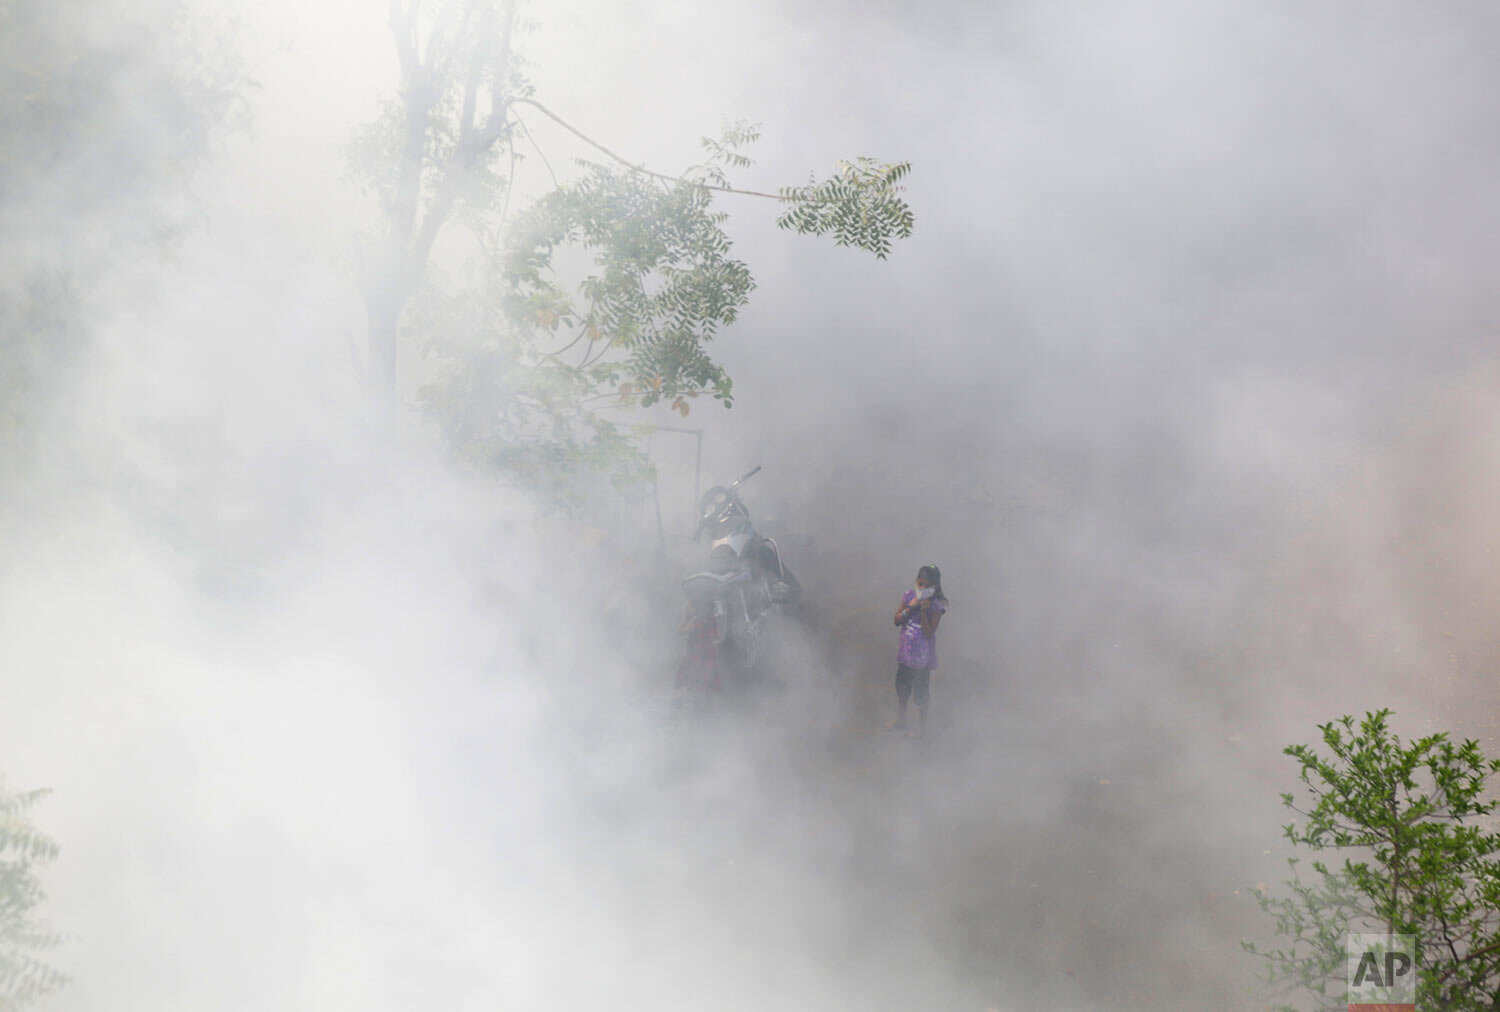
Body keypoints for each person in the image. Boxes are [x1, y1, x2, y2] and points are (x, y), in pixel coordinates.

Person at [885, 564, 948, 737]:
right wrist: (910, 607)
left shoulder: (936, 606)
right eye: (920, 584)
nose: (923, 589)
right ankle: (901, 720)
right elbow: (897, 620)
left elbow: (928, 632)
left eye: (928, 586)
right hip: (906, 654)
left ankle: (921, 727)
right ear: (916, 582)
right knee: (902, 689)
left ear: (935, 587)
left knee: (921, 694)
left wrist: (923, 611)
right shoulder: (908, 596)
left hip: (922, 659)